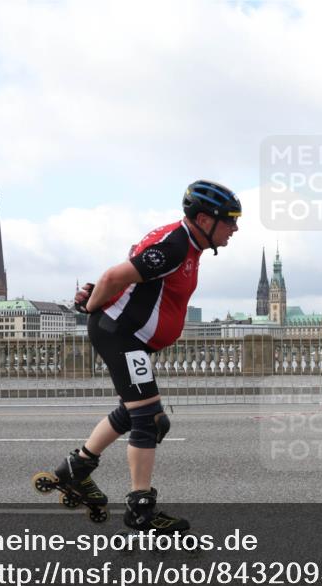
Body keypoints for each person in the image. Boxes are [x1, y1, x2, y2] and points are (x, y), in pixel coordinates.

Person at [49, 180, 240, 531]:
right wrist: (89, 306)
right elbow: (114, 276)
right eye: (229, 220)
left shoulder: (185, 242)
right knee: (149, 420)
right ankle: (141, 509)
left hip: (129, 336)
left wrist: (98, 298)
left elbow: (131, 277)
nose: (234, 228)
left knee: (132, 411)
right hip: (122, 336)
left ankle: (75, 469)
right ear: (204, 219)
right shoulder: (176, 246)